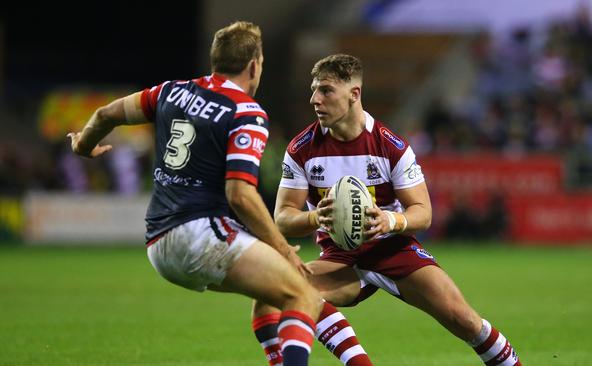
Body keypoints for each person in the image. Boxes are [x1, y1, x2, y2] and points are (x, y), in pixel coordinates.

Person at [67, 21, 323, 366]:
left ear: (215, 61)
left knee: (274, 294)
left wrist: (84, 145)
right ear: (254, 65)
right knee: (303, 294)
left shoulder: (169, 92)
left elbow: (105, 114)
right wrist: (283, 249)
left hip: (158, 245)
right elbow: (240, 195)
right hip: (198, 234)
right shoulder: (246, 113)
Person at [254, 54, 523, 365]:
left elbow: (423, 212)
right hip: (341, 257)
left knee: (464, 320)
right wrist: (315, 217)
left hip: (392, 249)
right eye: (314, 90)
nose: (315, 99)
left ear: (354, 94)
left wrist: (390, 221)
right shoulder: (301, 149)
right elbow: (283, 218)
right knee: (291, 289)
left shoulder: (389, 146)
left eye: (326, 90)